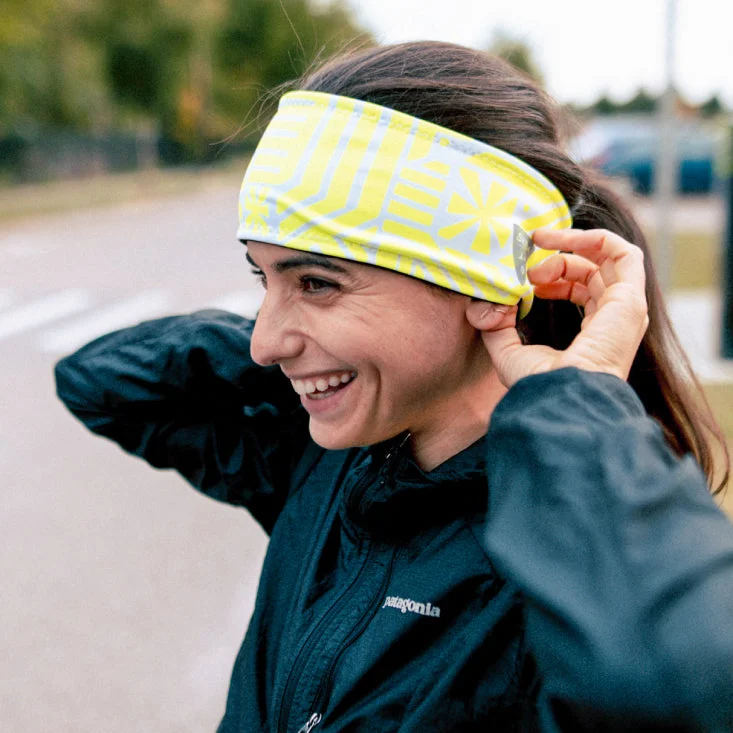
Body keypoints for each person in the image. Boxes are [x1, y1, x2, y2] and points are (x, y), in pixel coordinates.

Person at [54, 41, 733, 732]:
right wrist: (319, 363)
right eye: (266, 278)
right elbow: (99, 382)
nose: (264, 341)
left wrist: (575, 401)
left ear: (486, 289)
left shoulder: (561, 567)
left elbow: (687, 689)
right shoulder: (323, 461)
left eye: (316, 281)